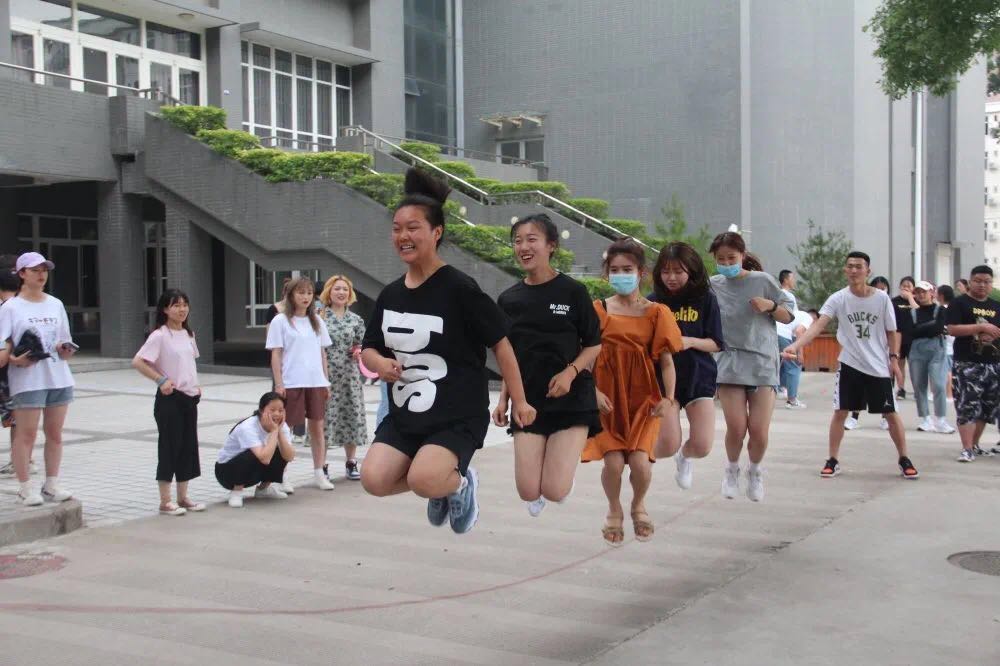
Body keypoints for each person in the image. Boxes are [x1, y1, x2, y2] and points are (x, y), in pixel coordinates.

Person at [360, 168, 533, 535]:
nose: (403, 236)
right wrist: (379, 363)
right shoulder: (391, 294)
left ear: (436, 232)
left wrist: (519, 402)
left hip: (456, 416)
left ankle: (457, 483)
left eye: (413, 227)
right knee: (373, 480)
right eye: (397, 228)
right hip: (406, 416)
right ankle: (442, 481)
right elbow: (369, 348)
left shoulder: (459, 288)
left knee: (423, 478)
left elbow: (502, 343)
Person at [494, 214, 602, 517]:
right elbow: (509, 356)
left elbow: (594, 344)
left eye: (532, 239)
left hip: (571, 397)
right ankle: (551, 479)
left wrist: (570, 373)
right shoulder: (508, 299)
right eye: (517, 241)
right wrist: (504, 399)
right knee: (528, 491)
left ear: (551, 245)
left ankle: (561, 480)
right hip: (528, 400)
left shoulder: (573, 292)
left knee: (554, 490)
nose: (523, 247)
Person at [783, 251, 919, 479]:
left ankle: (904, 458)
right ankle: (832, 459)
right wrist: (796, 346)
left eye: (859, 266)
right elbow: (818, 325)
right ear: (845, 270)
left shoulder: (881, 299)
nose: (854, 270)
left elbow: (892, 331)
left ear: (868, 271)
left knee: (890, 412)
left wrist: (894, 359)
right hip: (850, 364)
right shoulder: (838, 298)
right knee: (840, 411)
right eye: (850, 266)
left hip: (877, 366)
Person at [583, 239, 681, 544]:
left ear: (641, 273)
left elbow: (667, 361)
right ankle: (614, 509)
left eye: (627, 269)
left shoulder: (657, 312)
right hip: (607, 399)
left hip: (643, 399)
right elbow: (586, 357)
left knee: (640, 463)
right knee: (613, 463)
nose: (621, 275)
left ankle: (638, 504)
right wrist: (592, 392)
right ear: (606, 274)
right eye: (615, 270)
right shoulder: (598, 310)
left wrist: (668, 398)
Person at [709, 232, 793, 502]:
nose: (726, 263)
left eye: (731, 258)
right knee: (736, 427)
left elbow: (788, 314)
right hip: (729, 361)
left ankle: (755, 471)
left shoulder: (762, 281)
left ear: (742, 256)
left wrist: (770, 306)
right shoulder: (712, 285)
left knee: (758, 430)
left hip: (762, 362)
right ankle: (731, 469)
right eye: (721, 259)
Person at [0, 252, 76, 505]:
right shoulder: (11, 307)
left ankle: (51, 484)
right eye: (35, 270)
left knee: (55, 433)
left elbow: (63, 339)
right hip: (28, 379)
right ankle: (25, 487)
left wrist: (65, 348)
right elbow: (2, 345)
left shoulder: (55, 304)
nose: (41, 274)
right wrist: (14, 359)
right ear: (22, 273)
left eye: (44, 270)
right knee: (26, 434)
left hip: (58, 376)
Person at [648, 241, 723, 491]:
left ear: (691, 271)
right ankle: (639, 458)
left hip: (698, 377)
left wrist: (689, 341)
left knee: (702, 446)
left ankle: (685, 457)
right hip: (663, 382)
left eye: (678, 271)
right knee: (668, 444)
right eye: (665, 271)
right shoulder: (652, 303)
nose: (671, 277)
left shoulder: (706, 300)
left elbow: (716, 343)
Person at [132, 289, 206, 516]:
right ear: (165, 309)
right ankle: (165, 501)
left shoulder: (188, 334)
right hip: (170, 399)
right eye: (176, 305)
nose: (182, 309)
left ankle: (183, 497)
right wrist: (160, 380)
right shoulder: (159, 335)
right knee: (169, 447)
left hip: (189, 398)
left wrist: (196, 385)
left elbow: (189, 364)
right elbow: (138, 361)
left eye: (185, 304)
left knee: (187, 447)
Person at [266, 276, 334, 491]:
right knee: (285, 429)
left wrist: (326, 381)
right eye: (301, 292)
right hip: (291, 381)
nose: (306, 297)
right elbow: (276, 354)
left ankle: (319, 473)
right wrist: (279, 383)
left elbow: (322, 353)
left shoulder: (317, 321)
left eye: (309, 293)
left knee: (317, 428)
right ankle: (283, 475)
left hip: (315, 381)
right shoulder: (280, 321)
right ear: (291, 295)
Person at [945, 265, 1000, 461]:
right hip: (967, 363)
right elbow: (952, 329)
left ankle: (975, 445)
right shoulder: (959, 303)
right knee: (967, 406)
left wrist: (992, 336)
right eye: (978, 281)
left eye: (986, 282)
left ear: (991, 284)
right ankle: (966, 448)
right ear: (970, 282)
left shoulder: (996, 306)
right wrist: (980, 327)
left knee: (986, 407)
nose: (982, 285)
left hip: (993, 363)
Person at [319, 275, 367, 482]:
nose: (341, 292)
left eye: (345, 289)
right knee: (324, 419)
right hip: (325, 375)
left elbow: (362, 344)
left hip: (350, 376)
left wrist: (359, 350)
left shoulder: (356, 320)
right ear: (329, 291)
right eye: (337, 288)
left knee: (351, 416)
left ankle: (351, 462)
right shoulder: (319, 317)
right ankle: (321, 465)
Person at [216, 392, 296, 507]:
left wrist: (279, 432)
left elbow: (289, 456)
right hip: (227, 472)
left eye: (280, 410)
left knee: (282, 451)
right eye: (272, 410)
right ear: (261, 410)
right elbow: (265, 459)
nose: (277, 414)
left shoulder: (282, 426)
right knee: (252, 453)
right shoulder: (248, 427)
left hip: (251, 473)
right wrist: (274, 431)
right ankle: (236, 492)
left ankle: (263, 490)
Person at [904, 281, 954, 434]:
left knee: (939, 384)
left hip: (937, 350)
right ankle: (926, 418)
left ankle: (941, 419)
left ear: (932, 293)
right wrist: (930, 326)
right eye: (918, 292)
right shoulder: (912, 313)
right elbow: (910, 332)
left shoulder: (941, 310)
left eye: (924, 292)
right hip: (916, 351)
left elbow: (938, 328)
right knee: (919, 385)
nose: (921, 295)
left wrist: (921, 328)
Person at [0, 255, 33, 479]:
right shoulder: (28, 305)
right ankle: (23, 459)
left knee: (16, 418)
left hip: (7, 373)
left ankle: (20, 461)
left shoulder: (6, 309)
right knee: (18, 418)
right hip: (24, 373)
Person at [845, 275, 892, 431]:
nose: (881, 291)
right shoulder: (861, 304)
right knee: (858, 388)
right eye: (878, 288)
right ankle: (854, 417)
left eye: (883, 288)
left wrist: (893, 355)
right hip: (861, 353)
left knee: (884, 389)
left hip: (881, 354)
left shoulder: (887, 304)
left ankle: (885, 417)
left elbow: (893, 331)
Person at [776, 305, 813, 409]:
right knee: (794, 366)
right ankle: (792, 401)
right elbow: (799, 332)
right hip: (782, 334)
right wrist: (800, 354)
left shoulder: (798, 314)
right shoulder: (809, 318)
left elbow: (795, 335)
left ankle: (776, 390)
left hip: (773, 332)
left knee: (775, 364)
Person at [891, 276, 916, 400]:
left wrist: (910, 298)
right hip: (898, 336)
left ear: (913, 288)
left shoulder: (916, 300)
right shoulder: (894, 301)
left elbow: (919, 312)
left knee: (914, 365)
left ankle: (917, 390)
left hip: (913, 337)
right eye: (903, 285)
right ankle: (901, 389)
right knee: (900, 363)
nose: (906, 288)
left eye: (909, 286)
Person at [937, 285, 956, 401]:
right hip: (954, 344)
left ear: (941, 295)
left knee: (946, 371)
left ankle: (948, 394)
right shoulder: (954, 308)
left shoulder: (942, 309)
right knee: (950, 371)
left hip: (946, 345)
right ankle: (950, 393)